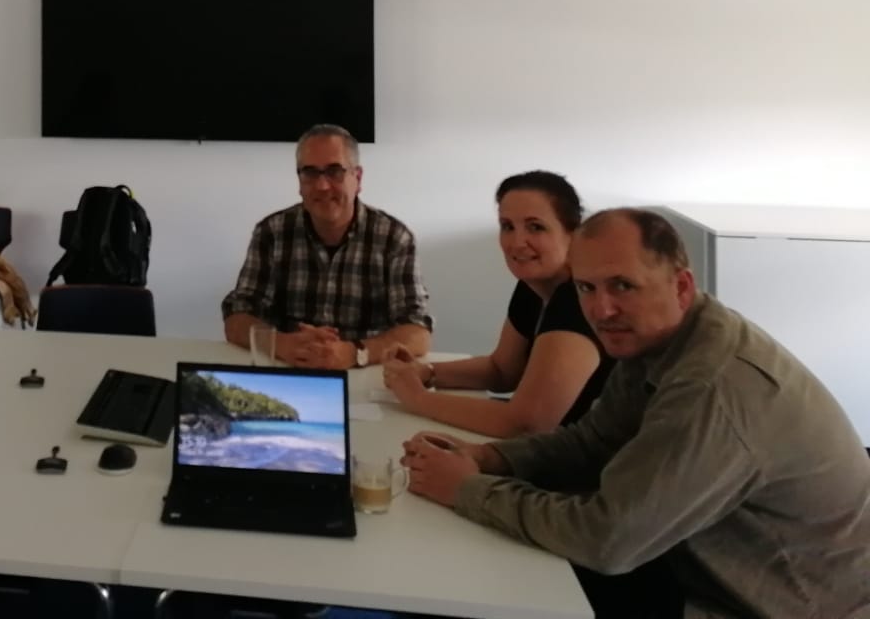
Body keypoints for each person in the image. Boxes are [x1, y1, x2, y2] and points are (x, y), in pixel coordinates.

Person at [400, 208, 870, 619]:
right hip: (691, 561)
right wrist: (490, 459)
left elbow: (608, 540)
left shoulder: (711, 386)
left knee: (485, 590)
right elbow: (593, 442)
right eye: (586, 288)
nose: (601, 310)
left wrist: (467, 489)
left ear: (681, 286)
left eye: (622, 285)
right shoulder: (660, 338)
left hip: (770, 604)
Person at [382, 171, 611, 435]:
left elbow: (525, 423)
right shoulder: (532, 287)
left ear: (572, 234)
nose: (517, 243)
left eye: (535, 227)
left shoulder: (578, 297)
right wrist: (425, 372)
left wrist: (417, 398)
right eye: (508, 226)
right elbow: (501, 371)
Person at [221, 124, 431, 368]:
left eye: (334, 171)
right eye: (310, 173)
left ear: (357, 178)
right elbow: (237, 315)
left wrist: (354, 353)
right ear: (299, 181)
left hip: (364, 372)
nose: (322, 185)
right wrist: (282, 345)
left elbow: (418, 331)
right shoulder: (272, 233)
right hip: (289, 368)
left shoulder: (394, 238)